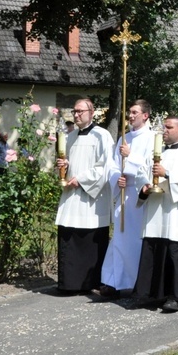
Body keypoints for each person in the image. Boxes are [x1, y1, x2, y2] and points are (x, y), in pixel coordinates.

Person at [134, 116, 178, 312]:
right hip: (156, 212)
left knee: (176, 254)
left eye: (169, 127)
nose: (164, 130)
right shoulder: (155, 153)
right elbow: (141, 173)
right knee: (155, 251)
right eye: (164, 127)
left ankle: (177, 297)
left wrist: (167, 173)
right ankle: (154, 294)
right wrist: (145, 186)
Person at [54, 98, 114, 294]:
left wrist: (80, 179)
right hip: (72, 196)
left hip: (91, 198)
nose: (77, 115)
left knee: (90, 240)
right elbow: (70, 163)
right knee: (69, 236)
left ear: (92, 112)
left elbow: (105, 167)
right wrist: (64, 168)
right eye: (74, 112)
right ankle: (69, 283)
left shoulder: (102, 136)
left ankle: (92, 282)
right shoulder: (70, 137)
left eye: (80, 111)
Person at [100, 100, 155, 298]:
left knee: (136, 240)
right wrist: (118, 178)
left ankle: (137, 281)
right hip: (124, 193)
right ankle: (113, 281)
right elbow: (113, 166)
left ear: (145, 115)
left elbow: (150, 167)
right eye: (129, 113)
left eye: (134, 112)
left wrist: (130, 156)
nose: (130, 116)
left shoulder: (152, 138)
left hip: (140, 196)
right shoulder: (124, 138)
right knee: (120, 238)